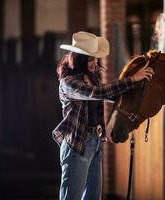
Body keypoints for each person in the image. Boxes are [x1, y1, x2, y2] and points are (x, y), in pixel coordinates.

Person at [52, 31, 154, 200]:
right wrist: (132, 79)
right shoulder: (68, 82)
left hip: (95, 141)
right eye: (91, 59)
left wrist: (138, 90)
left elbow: (110, 95)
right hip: (78, 145)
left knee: (93, 196)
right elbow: (97, 93)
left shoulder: (92, 78)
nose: (95, 63)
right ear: (80, 59)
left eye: (96, 59)